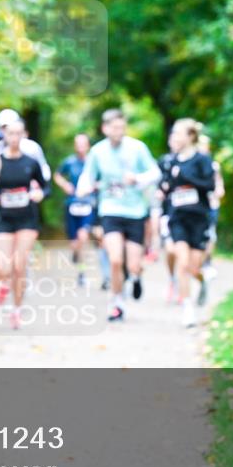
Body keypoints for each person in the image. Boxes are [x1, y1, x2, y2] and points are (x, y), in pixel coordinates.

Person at [76, 109, 161, 321]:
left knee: (133, 264)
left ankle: (136, 276)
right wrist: (83, 188)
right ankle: (117, 303)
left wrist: (138, 179)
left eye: (122, 127)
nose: (119, 131)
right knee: (115, 260)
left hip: (135, 212)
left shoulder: (137, 148)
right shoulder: (98, 151)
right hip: (110, 210)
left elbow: (155, 173)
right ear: (105, 128)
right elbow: (88, 175)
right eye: (115, 128)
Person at [0, 119, 47, 329]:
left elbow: (45, 186)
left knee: (19, 266)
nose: (14, 137)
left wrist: (40, 193)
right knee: (4, 267)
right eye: (10, 133)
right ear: (4, 135)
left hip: (26, 218)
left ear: (24, 135)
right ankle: (3, 283)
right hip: (3, 218)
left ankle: (17, 310)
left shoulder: (31, 162)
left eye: (18, 133)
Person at [159, 119, 215, 327]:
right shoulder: (170, 161)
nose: (174, 137)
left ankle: (201, 281)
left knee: (193, 267)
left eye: (178, 133)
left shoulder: (202, 160)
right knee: (182, 262)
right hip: (178, 218)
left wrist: (187, 178)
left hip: (198, 218)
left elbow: (209, 184)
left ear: (190, 136)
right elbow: (165, 186)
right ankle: (188, 308)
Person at [54, 133, 97, 286]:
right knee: (74, 243)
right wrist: (65, 185)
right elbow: (57, 175)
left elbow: (102, 179)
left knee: (83, 237)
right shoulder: (69, 162)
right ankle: (76, 254)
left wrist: (93, 187)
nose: (80, 147)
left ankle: (82, 273)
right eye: (77, 144)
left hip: (88, 203)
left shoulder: (93, 162)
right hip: (71, 204)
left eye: (83, 144)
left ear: (88, 145)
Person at [197, 134, 225, 306]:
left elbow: (219, 186)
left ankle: (207, 262)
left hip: (211, 206)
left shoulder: (213, 165)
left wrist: (217, 193)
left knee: (210, 235)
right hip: (196, 207)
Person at [157, 126, 184, 301]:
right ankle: (172, 279)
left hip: (186, 214)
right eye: (173, 140)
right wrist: (160, 191)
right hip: (168, 212)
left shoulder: (190, 161)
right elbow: (157, 182)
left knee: (182, 251)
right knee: (170, 250)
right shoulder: (164, 161)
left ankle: (182, 285)